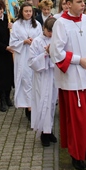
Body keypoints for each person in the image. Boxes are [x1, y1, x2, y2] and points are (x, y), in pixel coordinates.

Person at [49, 0, 86, 170]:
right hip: (73, 78)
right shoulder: (61, 23)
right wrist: (80, 60)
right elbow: (56, 52)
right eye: (79, 2)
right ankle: (77, 154)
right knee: (78, 119)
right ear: (68, 4)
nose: (83, 5)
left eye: (84, 1)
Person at [28, 16, 58, 147]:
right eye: (49, 31)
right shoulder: (37, 42)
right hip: (42, 76)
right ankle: (43, 133)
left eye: (53, 32)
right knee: (43, 102)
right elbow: (31, 61)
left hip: (53, 75)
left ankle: (49, 129)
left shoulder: (57, 40)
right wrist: (45, 54)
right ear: (44, 28)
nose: (50, 34)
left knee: (51, 103)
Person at [10, 2, 43, 121]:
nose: (28, 13)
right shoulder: (16, 25)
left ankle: (34, 106)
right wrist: (24, 41)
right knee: (25, 80)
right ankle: (28, 107)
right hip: (22, 56)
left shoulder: (37, 24)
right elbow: (12, 42)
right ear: (22, 12)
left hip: (34, 55)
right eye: (26, 11)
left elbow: (41, 39)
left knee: (34, 81)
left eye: (30, 11)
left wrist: (34, 41)